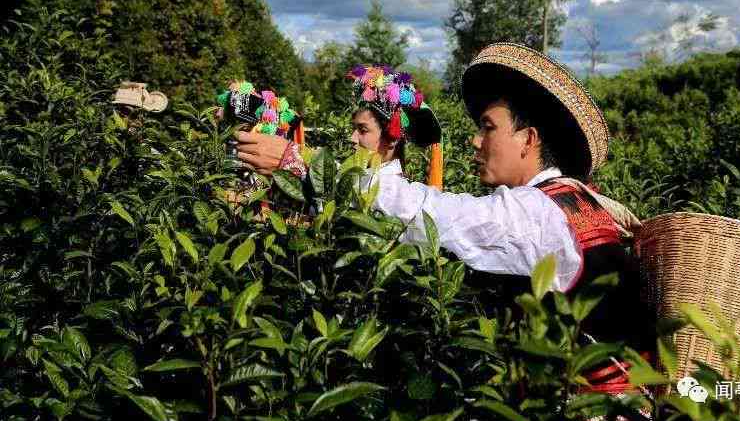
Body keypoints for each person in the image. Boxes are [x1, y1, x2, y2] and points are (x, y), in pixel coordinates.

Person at [237, 44, 652, 391]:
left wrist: (307, 165)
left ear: (528, 140)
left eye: (488, 128)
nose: (475, 139)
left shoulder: (537, 213)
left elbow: (433, 217)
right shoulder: (572, 201)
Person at [235, 64, 443, 189]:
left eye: (363, 130)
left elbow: (343, 185)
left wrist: (293, 160)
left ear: (393, 138)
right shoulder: (359, 176)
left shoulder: (391, 191)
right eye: (354, 129)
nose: (353, 138)